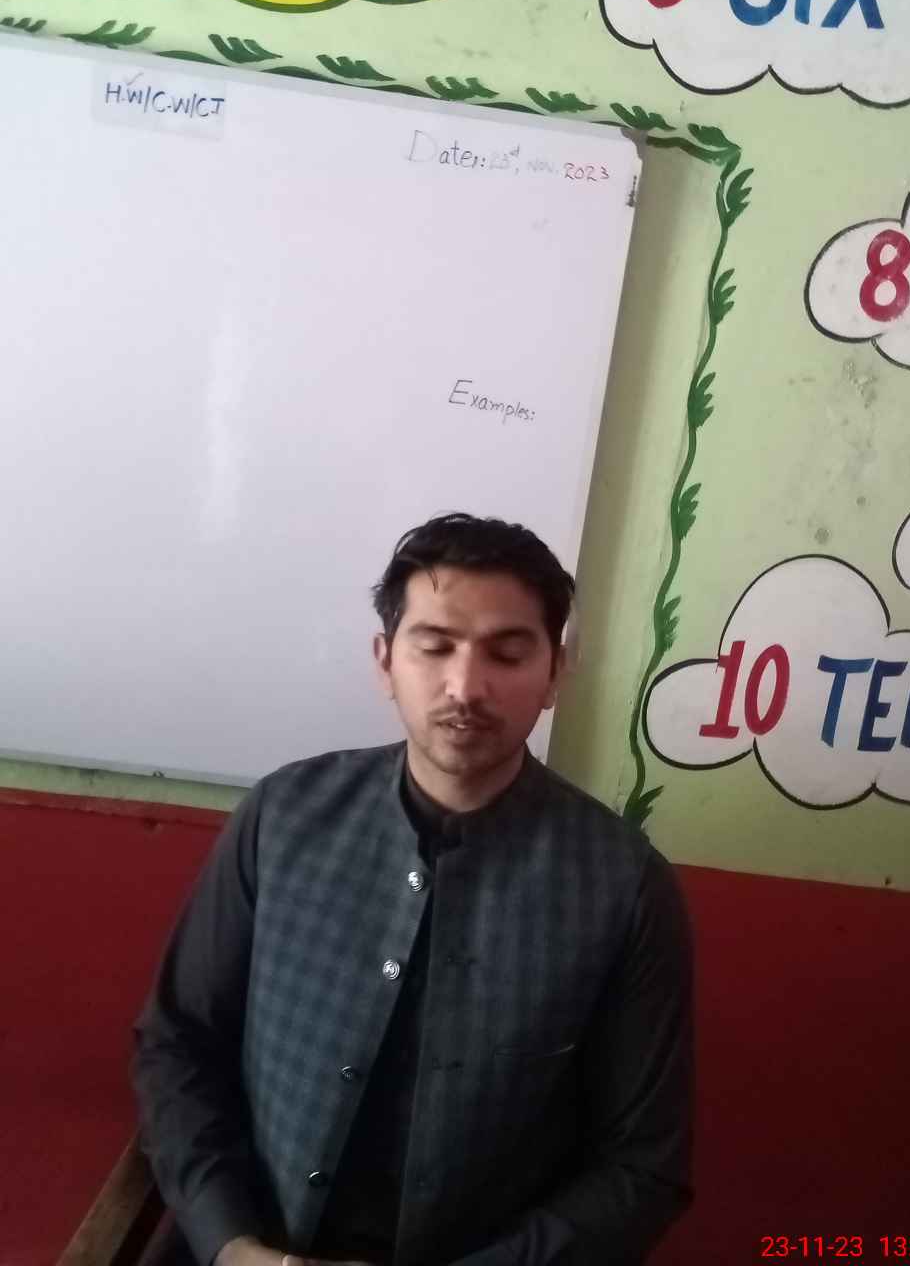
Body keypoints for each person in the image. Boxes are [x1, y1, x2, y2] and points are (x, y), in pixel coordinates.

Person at [132, 512, 694, 1266]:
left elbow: (643, 1165)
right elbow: (179, 1042)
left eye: (508, 652)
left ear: (556, 673)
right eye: (434, 646)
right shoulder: (282, 818)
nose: (466, 686)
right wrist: (228, 1241)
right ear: (385, 660)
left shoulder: (624, 886)